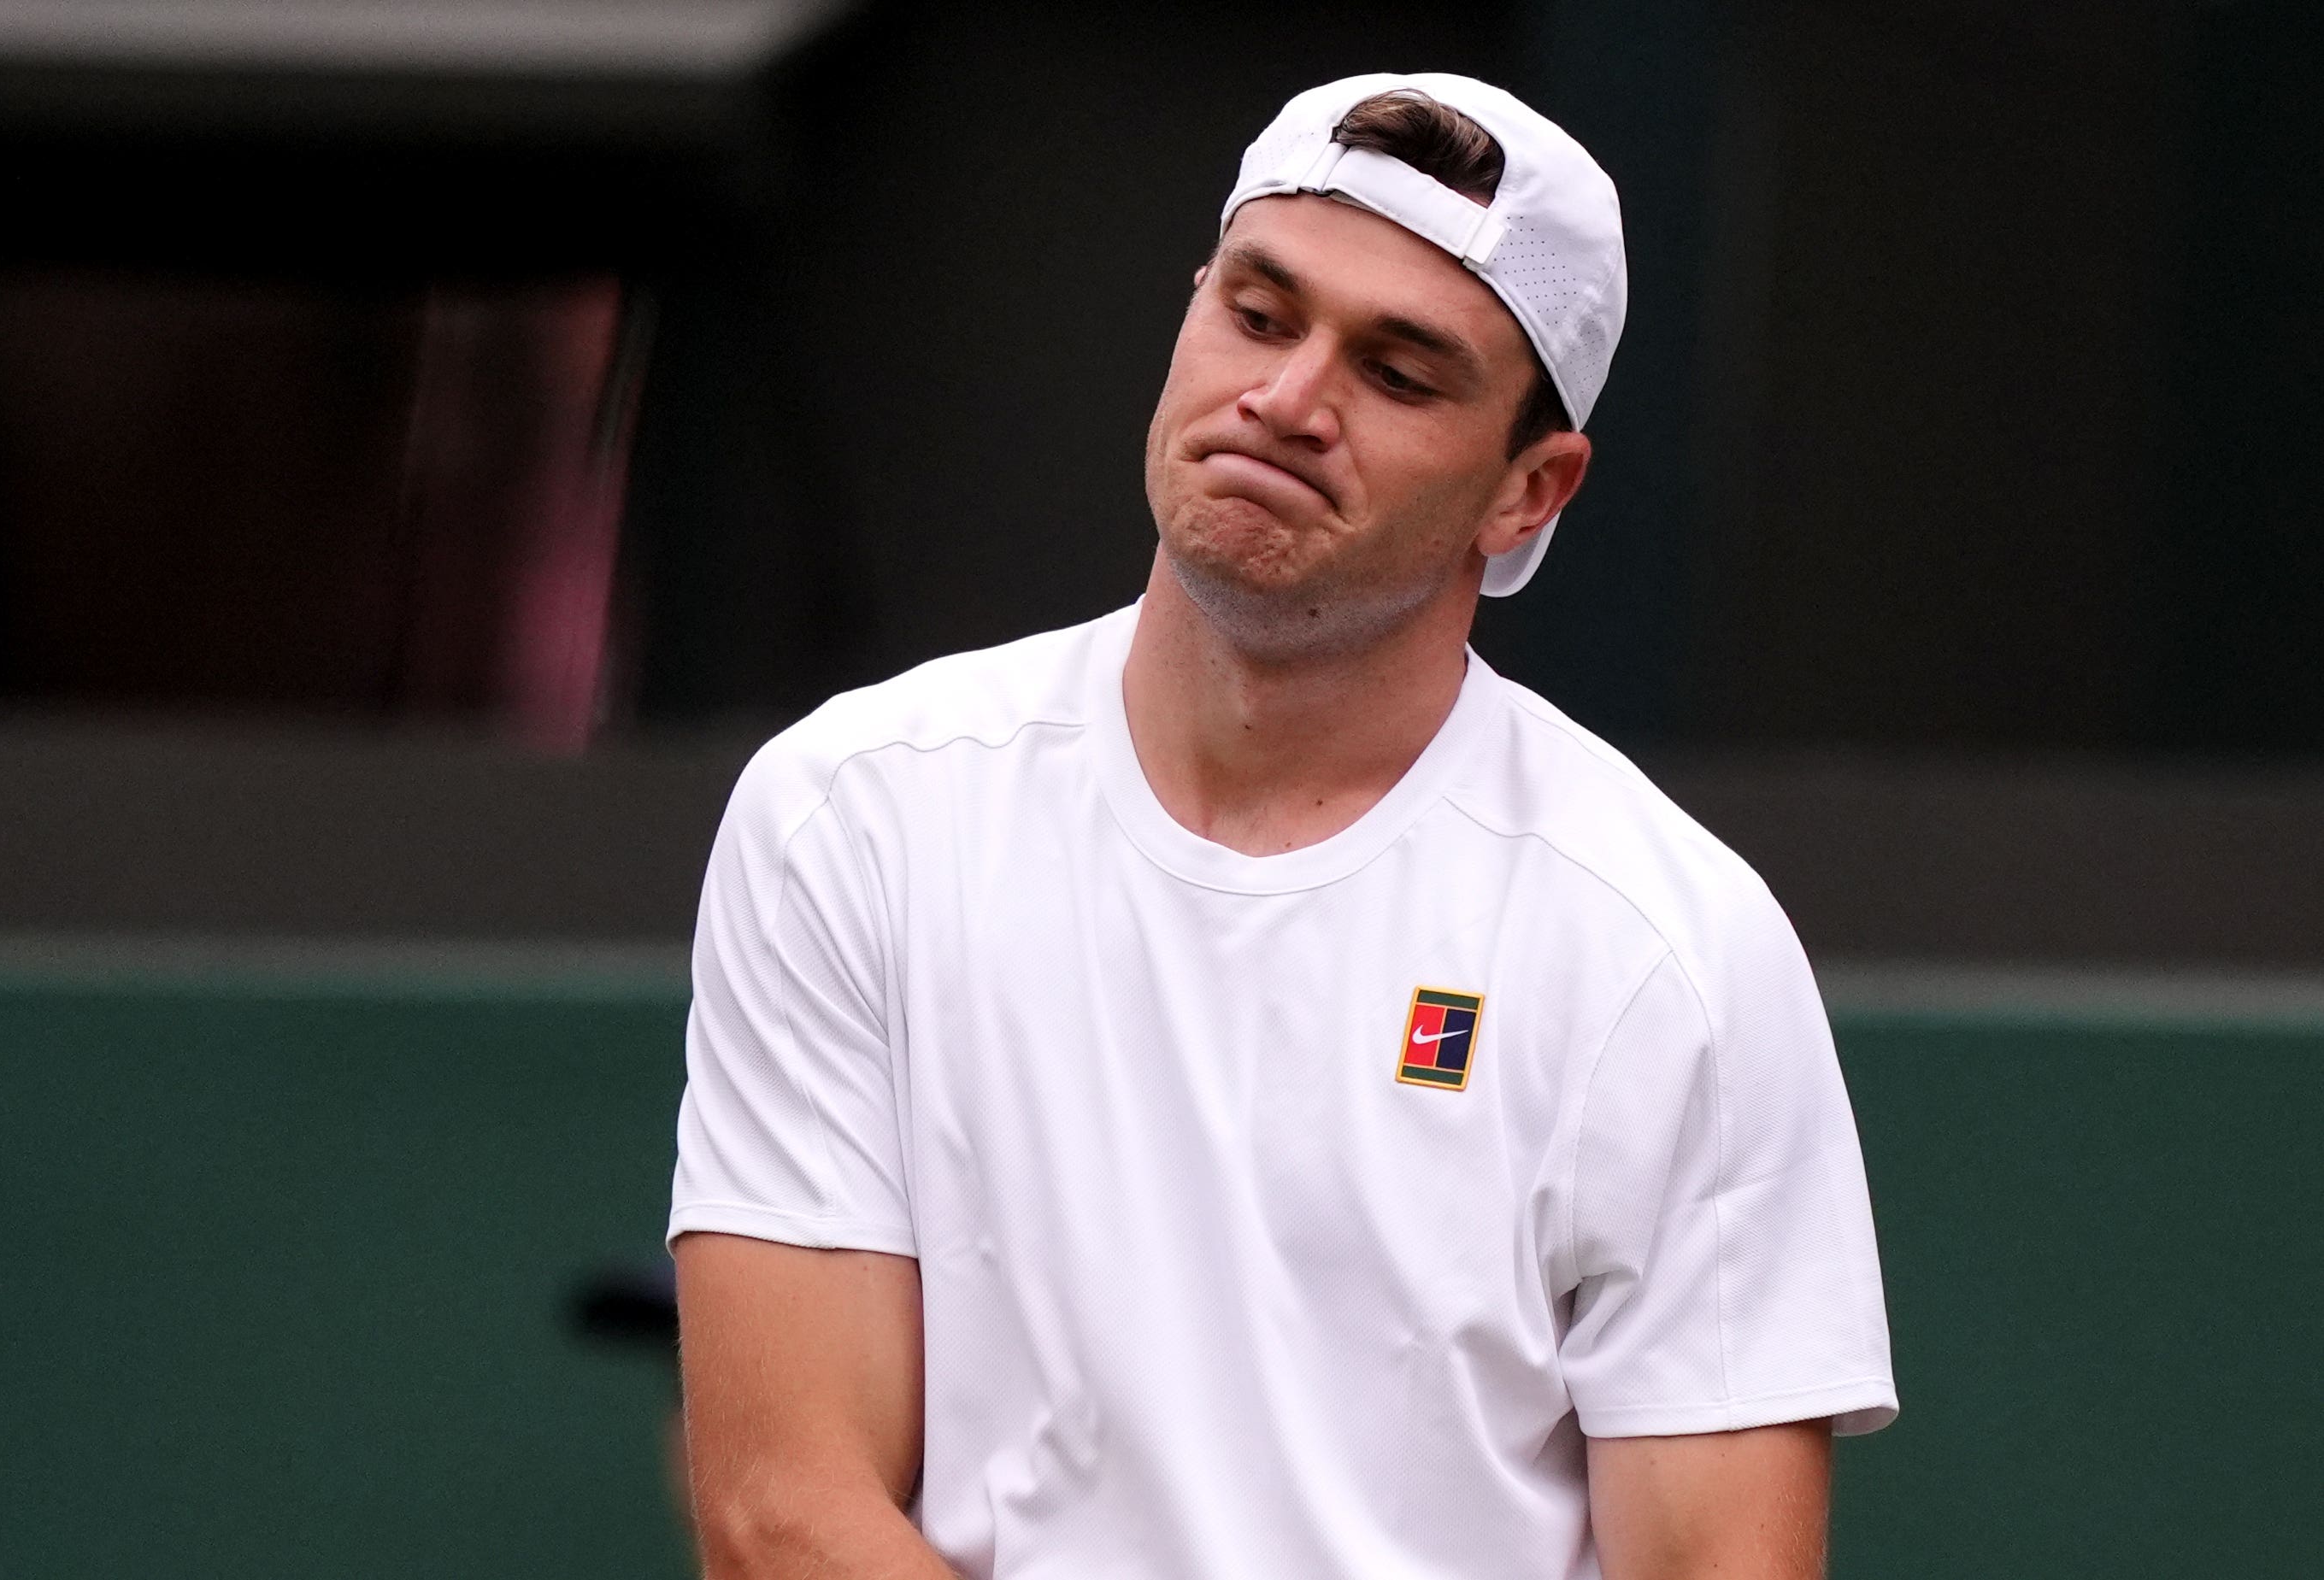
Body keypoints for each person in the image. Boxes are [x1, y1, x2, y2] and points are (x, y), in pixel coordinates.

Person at [668, 71, 1897, 1579]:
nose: (1289, 399)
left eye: (1398, 372)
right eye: (1258, 313)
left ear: (1531, 491)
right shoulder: (852, 813)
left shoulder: (1669, 947)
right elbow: (780, 1515)